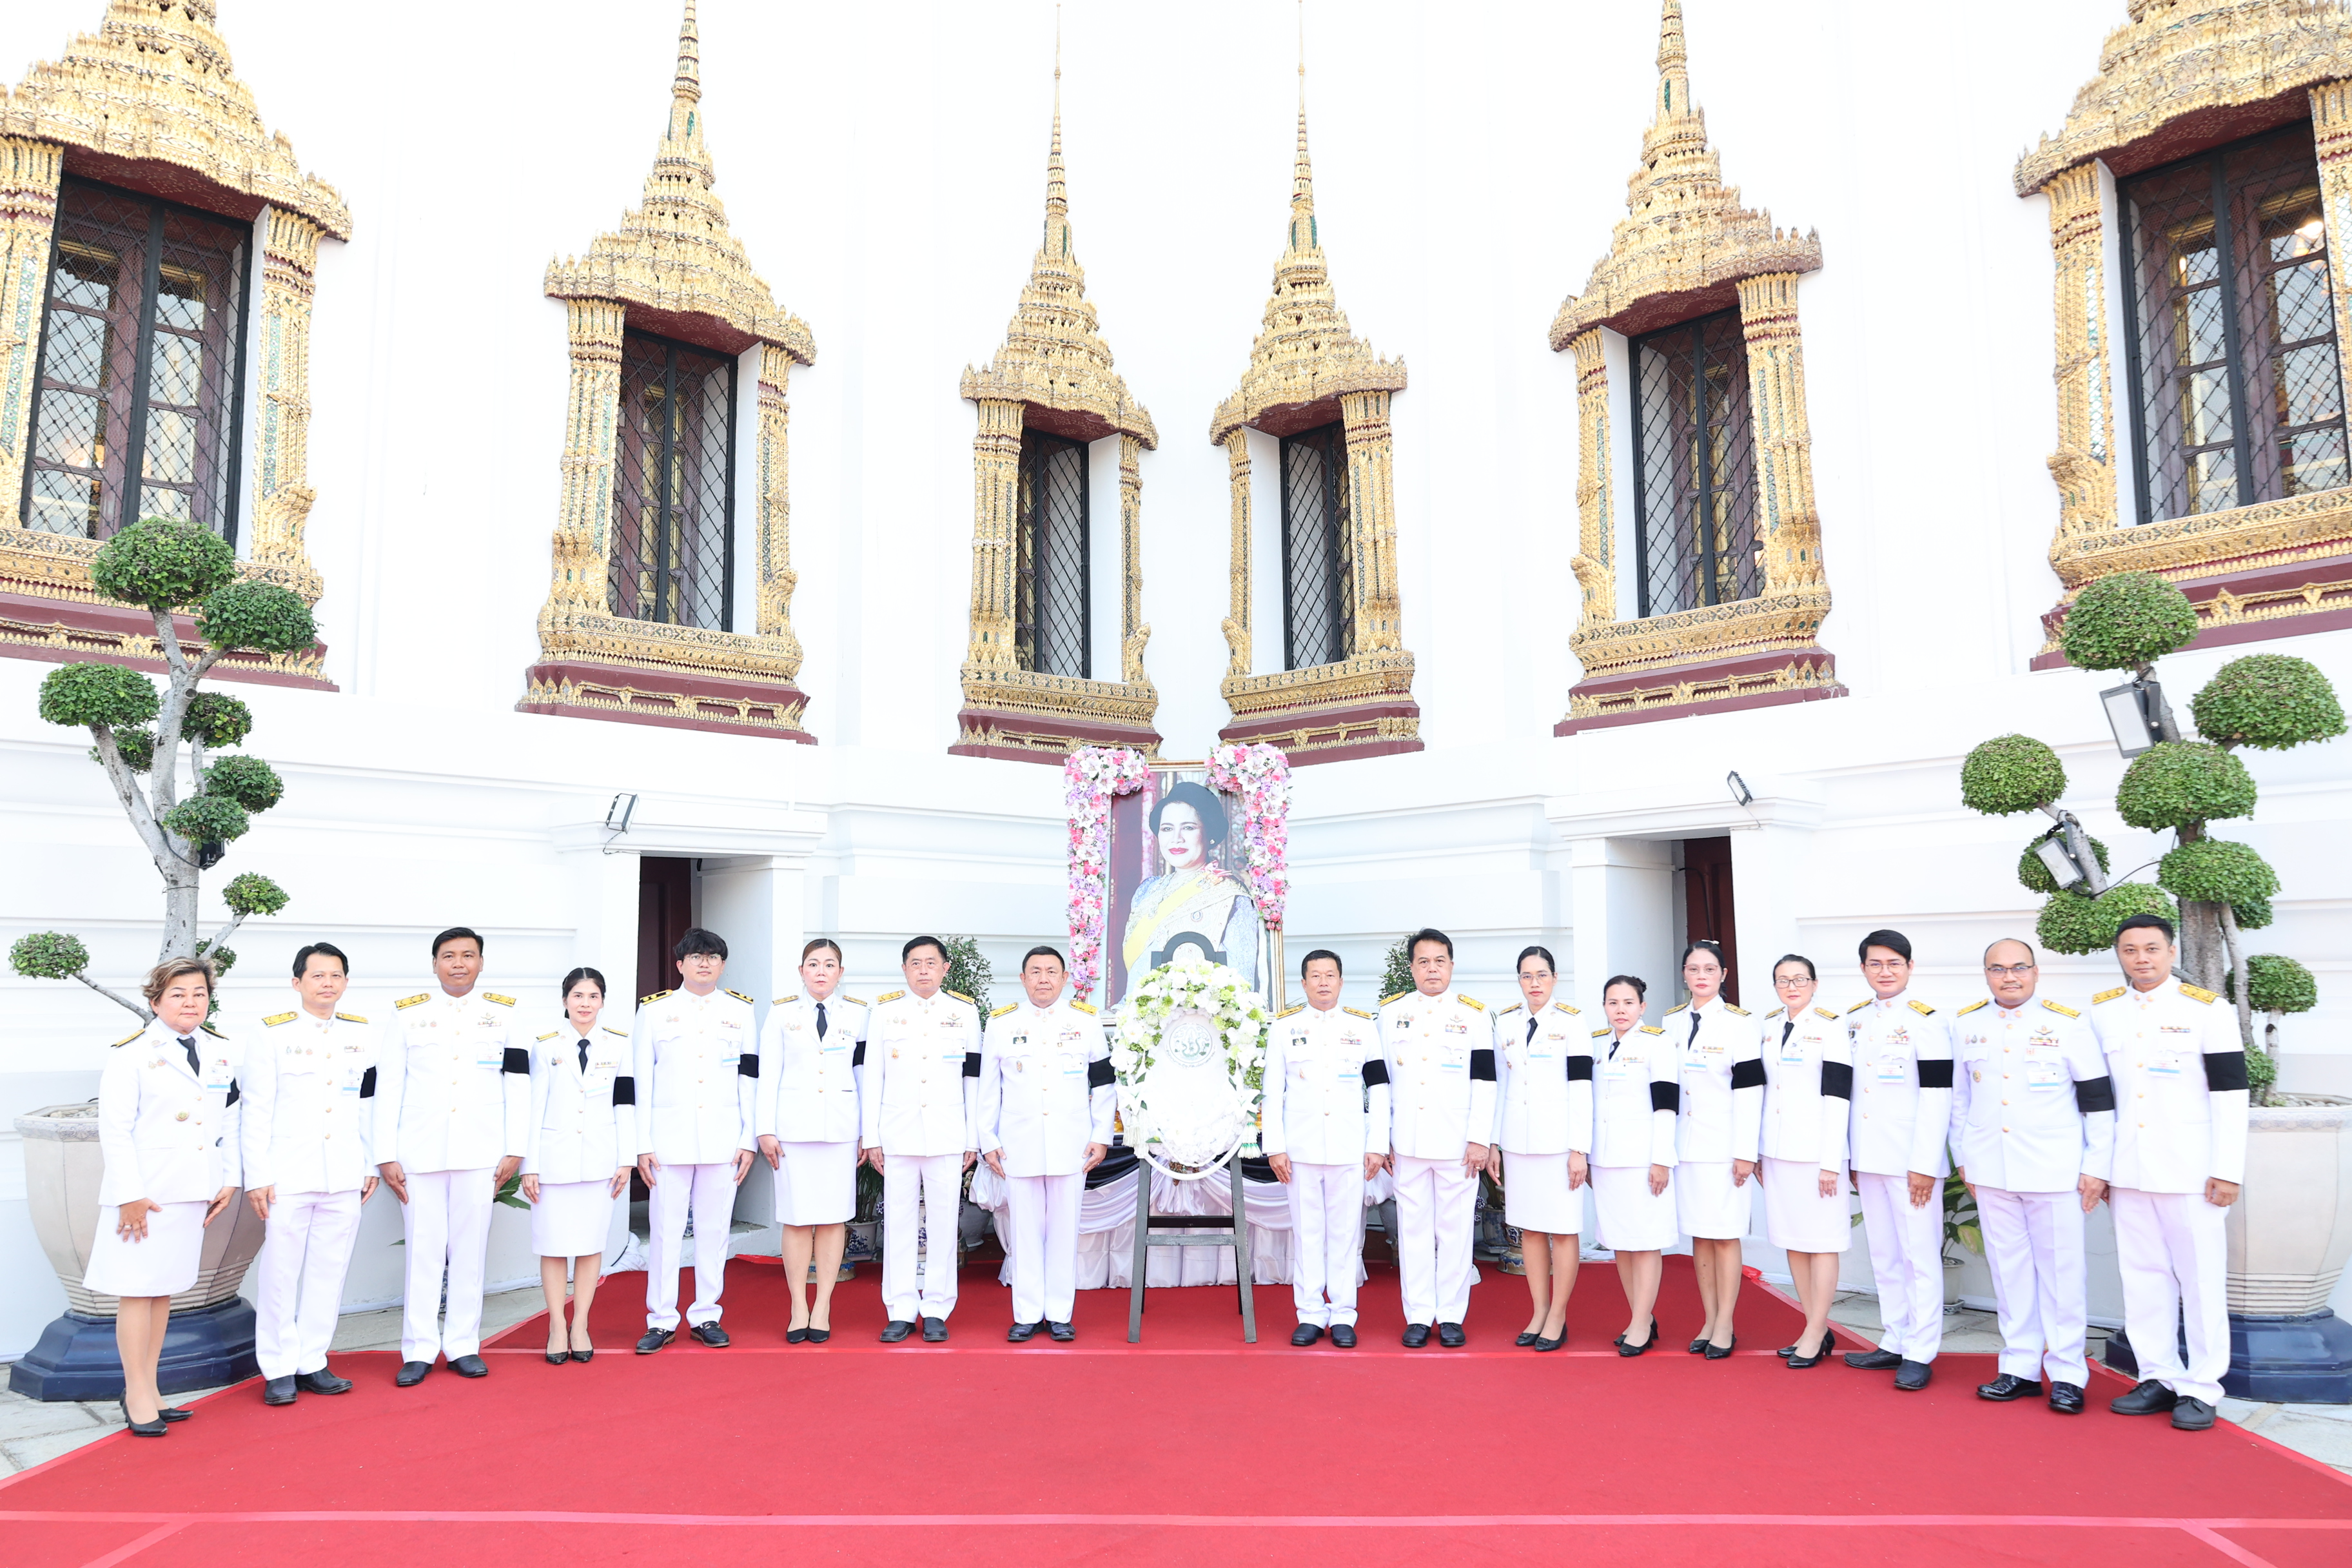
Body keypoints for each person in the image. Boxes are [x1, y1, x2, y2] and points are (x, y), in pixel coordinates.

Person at [2092, 913, 2247, 1433]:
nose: (2142, 958)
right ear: (2120, 955)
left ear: (2172, 952)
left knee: (2201, 1281)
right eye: (2131, 950)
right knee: (2143, 1280)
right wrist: (2102, 1168)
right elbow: (2100, 1098)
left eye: (2152, 948)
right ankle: (2158, 1375)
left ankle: (2203, 1386)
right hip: (2130, 1169)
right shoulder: (2104, 1013)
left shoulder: (2208, 1010)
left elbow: (2230, 1094)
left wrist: (2227, 1169)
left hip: (2191, 1172)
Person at [1952, 938, 2115, 1416]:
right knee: (2010, 1271)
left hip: (2055, 1170)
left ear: (2036, 972)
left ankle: (2067, 1373)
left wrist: (2095, 1167)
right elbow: (1962, 1101)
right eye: (1998, 969)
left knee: (2063, 1274)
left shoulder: (2068, 1024)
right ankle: (2020, 1367)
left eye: (2018, 967)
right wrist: (1965, 1156)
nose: (2009, 976)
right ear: (1986, 975)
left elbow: (2098, 1101)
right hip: (1992, 1168)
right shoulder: (1968, 1024)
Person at [87, 957, 241, 1435]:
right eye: (178, 994)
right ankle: (136, 1392)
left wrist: (229, 1178)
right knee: (137, 1292)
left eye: (198, 993)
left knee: (162, 1292)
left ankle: (149, 1388)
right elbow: (114, 1132)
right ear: (155, 1001)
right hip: (146, 1194)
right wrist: (129, 1195)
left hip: (193, 1188)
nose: (190, 1002)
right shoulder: (131, 1053)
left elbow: (230, 1119)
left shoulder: (220, 1050)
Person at [375, 926, 530, 1386]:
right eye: (449, 956)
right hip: (420, 1152)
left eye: (468, 955)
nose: (458, 963)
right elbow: (389, 1088)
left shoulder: (505, 1014)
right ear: (434, 963)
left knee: (470, 1252)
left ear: (482, 963)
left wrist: (516, 1148)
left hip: (482, 1151)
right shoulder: (407, 1016)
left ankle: (463, 1344)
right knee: (423, 1251)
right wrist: (386, 1153)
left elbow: (519, 1083)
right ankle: (419, 1349)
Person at [242, 943, 378, 1406]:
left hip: (343, 1172)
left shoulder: (362, 1034)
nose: (327, 983)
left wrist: (371, 1162)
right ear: (297, 982)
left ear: (345, 982)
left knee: (329, 1270)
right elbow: (256, 1110)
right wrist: (256, 1175)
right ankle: (278, 1367)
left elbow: (367, 1105)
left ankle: (313, 1361)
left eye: (336, 975)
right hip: (288, 1174)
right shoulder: (272, 1034)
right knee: (280, 1273)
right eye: (317, 975)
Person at [977, 946, 1113, 1342]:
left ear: (1065, 978)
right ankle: (1026, 1312)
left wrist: (1101, 1136)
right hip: (1017, 1145)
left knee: (1063, 1230)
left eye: (1051, 971)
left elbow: (1104, 1085)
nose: (1043, 978)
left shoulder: (1086, 1023)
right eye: (1035, 971)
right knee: (1024, 1231)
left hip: (1072, 1145)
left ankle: (1059, 1313)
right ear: (1022, 979)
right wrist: (988, 1140)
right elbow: (989, 1089)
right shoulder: (1002, 1024)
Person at [632, 928, 758, 1353]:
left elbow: (749, 1078)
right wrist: (641, 1142)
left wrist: (749, 1139)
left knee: (714, 1229)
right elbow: (640, 1081)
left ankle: (706, 1314)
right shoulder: (654, 1012)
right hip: (668, 1141)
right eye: (696, 957)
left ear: (722, 965)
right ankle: (661, 1319)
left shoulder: (741, 1012)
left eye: (713, 957)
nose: (705, 963)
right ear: (680, 964)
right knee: (665, 1231)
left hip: (723, 1139)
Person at [1842, 928, 1955, 1392]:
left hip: (1911, 1161)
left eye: (1894, 963)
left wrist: (1926, 1163)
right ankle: (1895, 1336)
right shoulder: (1855, 1019)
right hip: (1869, 1157)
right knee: (1886, 1255)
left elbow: (1937, 1094)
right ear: (1864, 969)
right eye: (1875, 964)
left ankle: (1922, 1349)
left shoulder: (1927, 1021)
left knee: (1919, 1256)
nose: (1884, 972)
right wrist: (1849, 1155)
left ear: (1909, 968)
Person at [1262, 949, 1388, 1348]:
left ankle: (1344, 1315)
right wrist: (1275, 1147)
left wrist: (1378, 1144)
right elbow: (1271, 1091)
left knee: (1346, 1234)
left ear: (1341, 981)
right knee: (1308, 1233)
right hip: (1299, 1150)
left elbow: (1381, 1090)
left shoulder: (1363, 1027)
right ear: (1303, 984)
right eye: (1315, 976)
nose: (1322, 982)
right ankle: (1311, 1314)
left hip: (1349, 1147)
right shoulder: (1284, 1029)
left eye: (1330, 975)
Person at [1377, 928, 1495, 1348]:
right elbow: (1381, 1084)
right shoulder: (1390, 1014)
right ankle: (1418, 1314)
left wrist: (1481, 1138)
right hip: (1406, 1142)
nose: (1432, 969)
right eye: (1424, 961)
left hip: (1458, 1144)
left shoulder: (1474, 1015)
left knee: (1456, 1232)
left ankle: (1450, 1315)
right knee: (1412, 1232)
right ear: (1411, 967)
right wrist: (1381, 1138)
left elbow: (1485, 1080)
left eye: (1440, 960)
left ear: (1451, 965)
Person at [863, 936, 983, 1342]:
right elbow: (872, 1079)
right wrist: (871, 1136)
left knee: (945, 1222)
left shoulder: (964, 1012)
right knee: (897, 1221)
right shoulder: (884, 1012)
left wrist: (973, 1137)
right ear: (904, 969)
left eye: (932, 963)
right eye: (916, 963)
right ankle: (899, 1308)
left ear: (945, 968)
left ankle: (936, 1307)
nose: (924, 970)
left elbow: (974, 1080)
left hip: (948, 1135)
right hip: (897, 1134)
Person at [754, 939, 870, 1344]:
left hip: (841, 1129)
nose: (821, 971)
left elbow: (864, 1076)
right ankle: (797, 1305)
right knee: (798, 1217)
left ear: (841, 971)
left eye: (830, 964)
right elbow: (768, 1072)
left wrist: (866, 1132)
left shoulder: (858, 1014)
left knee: (834, 1216)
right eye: (813, 964)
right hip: (792, 1131)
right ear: (801, 971)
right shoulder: (782, 1012)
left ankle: (823, 1305)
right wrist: (764, 1128)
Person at [522, 968, 632, 1365]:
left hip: (601, 1161)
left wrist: (626, 1159)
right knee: (552, 1248)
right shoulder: (544, 1045)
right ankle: (555, 1324)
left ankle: (581, 1323)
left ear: (603, 1001)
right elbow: (532, 1108)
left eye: (593, 996)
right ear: (565, 1000)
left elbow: (625, 1102)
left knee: (590, 1247)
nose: (585, 1004)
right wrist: (528, 1165)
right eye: (578, 996)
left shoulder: (619, 1045)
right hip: (552, 1162)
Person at [1665, 939, 1763, 1358]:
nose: (1701, 976)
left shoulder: (1741, 1024)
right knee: (1700, 1238)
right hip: (1684, 1147)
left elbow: (1750, 1091)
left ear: (1724, 976)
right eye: (1693, 969)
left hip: (1725, 1147)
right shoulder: (1669, 1023)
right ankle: (1709, 1317)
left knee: (1725, 1235)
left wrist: (1746, 1151)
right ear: (1684, 974)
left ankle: (1726, 1323)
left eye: (1709, 969)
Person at [1489, 945, 1589, 1351]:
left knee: (1563, 1230)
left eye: (1542, 975)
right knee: (1530, 1228)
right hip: (1518, 1142)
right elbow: (1499, 1086)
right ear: (1519, 979)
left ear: (1554, 978)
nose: (1535, 983)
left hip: (1559, 1144)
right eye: (1527, 976)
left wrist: (1579, 1148)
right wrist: (1494, 1142)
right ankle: (1539, 1309)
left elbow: (1582, 1088)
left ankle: (1559, 1314)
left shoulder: (1573, 1023)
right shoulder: (1507, 1023)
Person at [1758, 954, 1852, 1369]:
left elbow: (1838, 1095)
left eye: (1799, 980)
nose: (1791, 987)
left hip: (1817, 1154)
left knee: (1823, 1240)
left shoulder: (1830, 1027)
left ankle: (1816, 1330)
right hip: (1778, 1152)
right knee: (1794, 1240)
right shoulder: (1768, 1026)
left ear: (1815, 984)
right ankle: (1812, 1325)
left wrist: (1832, 1160)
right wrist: (1759, 1151)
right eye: (1783, 980)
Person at [1589, 974, 1678, 1355]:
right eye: (1613, 1003)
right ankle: (1639, 1315)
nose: (1620, 1010)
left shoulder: (1657, 1044)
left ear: (1642, 1007)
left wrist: (1661, 1159)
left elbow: (1666, 1105)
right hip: (1606, 1161)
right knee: (1621, 1245)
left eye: (1628, 1003)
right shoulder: (1597, 1044)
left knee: (1645, 1243)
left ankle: (1642, 1322)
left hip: (1643, 1160)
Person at [1120, 781, 1261, 998]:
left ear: (1209, 833)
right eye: (1167, 829)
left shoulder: (1231, 895)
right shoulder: (1147, 891)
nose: (1177, 838)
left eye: (1188, 827)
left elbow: (1242, 987)